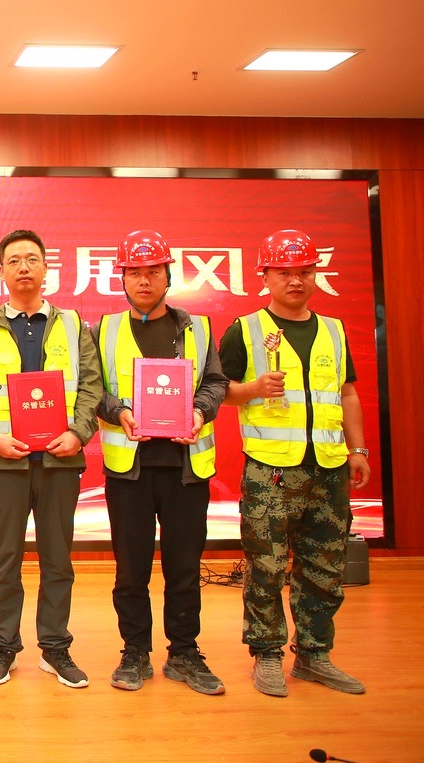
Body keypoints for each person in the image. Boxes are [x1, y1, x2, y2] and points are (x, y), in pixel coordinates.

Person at [220, 229, 370, 697]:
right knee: (265, 565)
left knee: (324, 565)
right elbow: (218, 391)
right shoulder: (244, 329)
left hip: (329, 467)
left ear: (315, 275)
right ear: (264, 276)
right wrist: (253, 389)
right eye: (284, 272)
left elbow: (347, 393)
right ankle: (267, 654)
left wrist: (358, 450)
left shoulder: (334, 330)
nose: (295, 280)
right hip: (271, 469)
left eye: (304, 271)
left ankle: (314, 655)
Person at [91, 230, 228, 695]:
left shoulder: (198, 328)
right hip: (129, 470)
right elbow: (92, 389)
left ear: (168, 276)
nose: (144, 280)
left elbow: (215, 383)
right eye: (134, 272)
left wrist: (199, 411)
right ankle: (135, 651)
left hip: (186, 469)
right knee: (131, 570)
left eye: (153, 271)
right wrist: (119, 412)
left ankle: (184, 653)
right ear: (122, 279)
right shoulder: (103, 330)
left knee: (184, 568)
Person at [0, 229, 102, 688]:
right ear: (1, 271)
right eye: (14, 261)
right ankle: (3, 646)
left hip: (61, 460)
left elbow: (91, 385)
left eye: (32, 259)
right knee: (5, 558)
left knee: (58, 559)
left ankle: (55, 646)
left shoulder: (73, 324)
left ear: (46, 268)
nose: (23, 267)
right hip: (5, 461)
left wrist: (78, 433)